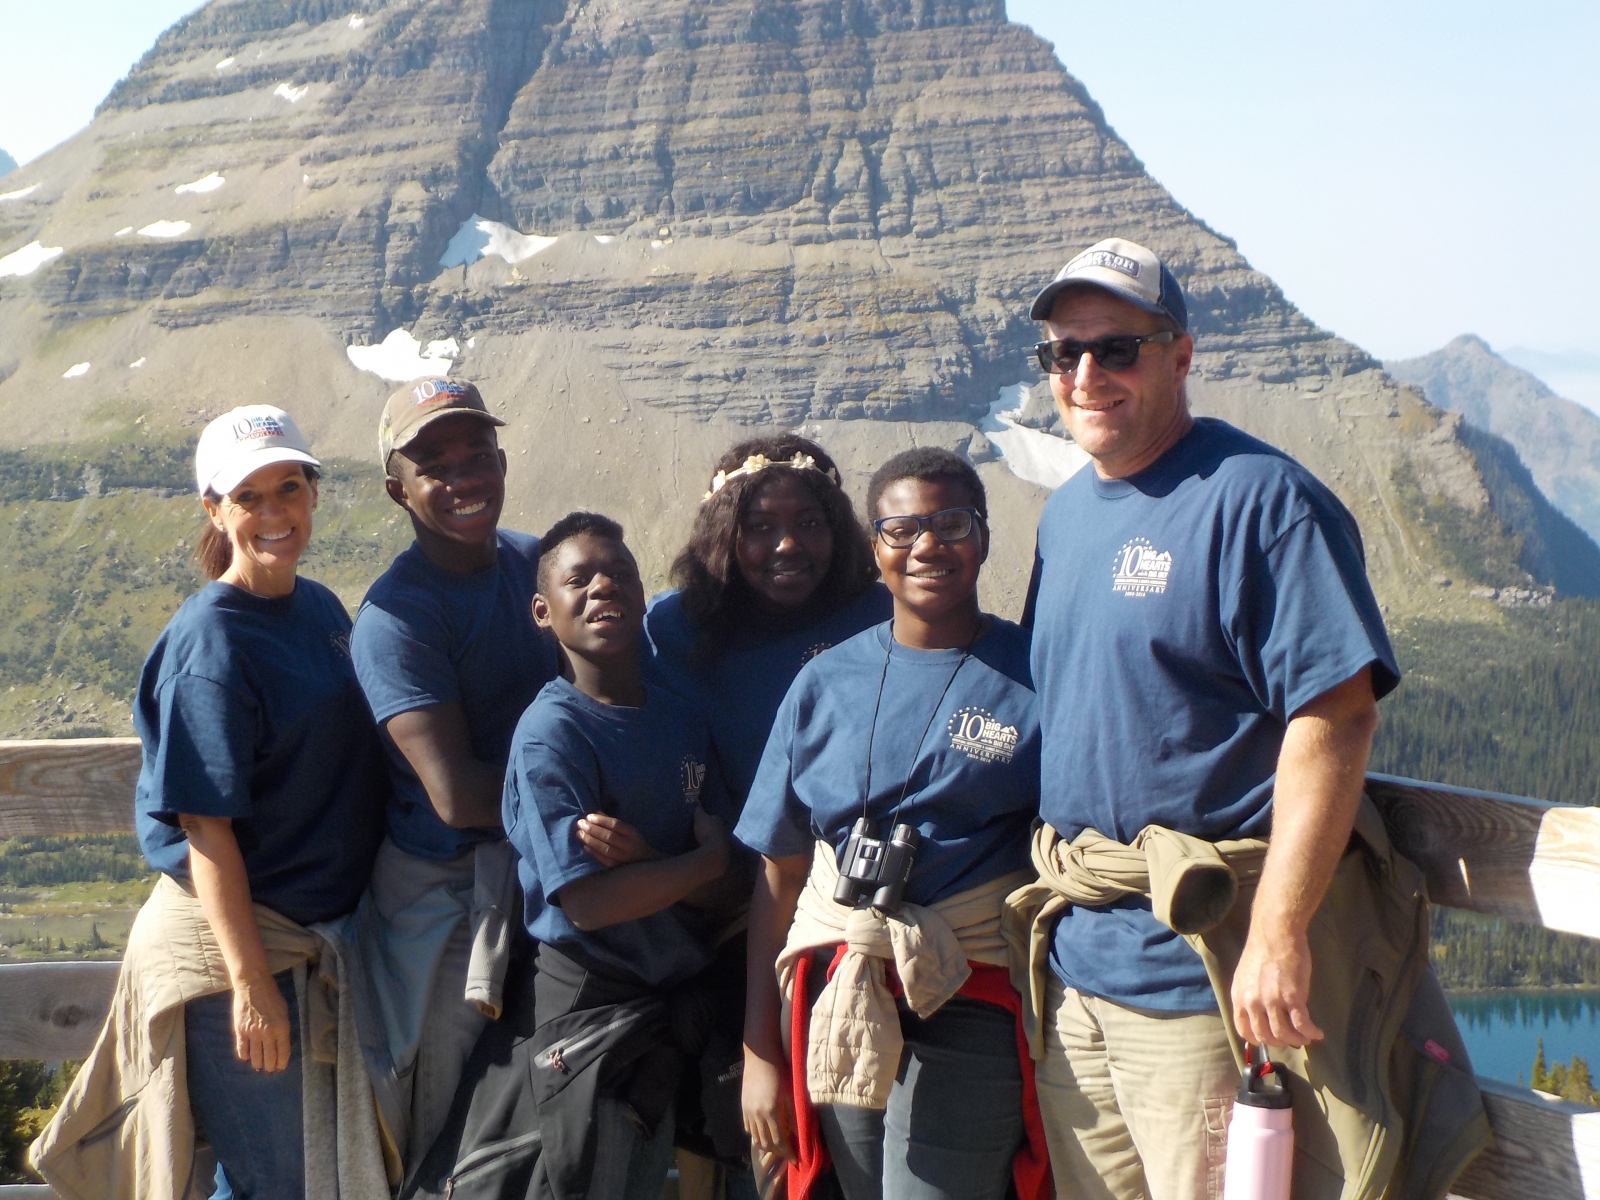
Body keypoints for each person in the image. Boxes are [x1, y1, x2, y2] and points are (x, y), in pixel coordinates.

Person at [1019, 238, 1409, 1200]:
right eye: (1064, 353)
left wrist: (1279, 932)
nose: (1085, 375)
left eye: (1117, 349)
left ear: (1180, 356)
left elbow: (1337, 718)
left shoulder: (1263, 501)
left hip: (1199, 974)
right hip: (1078, 968)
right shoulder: (1066, 516)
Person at [33, 406, 390, 1200]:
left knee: (269, 1175)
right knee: (284, 1184)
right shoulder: (211, 644)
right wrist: (251, 985)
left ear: (314, 493)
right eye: (248, 497)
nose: (274, 513)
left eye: (288, 488)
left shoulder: (318, 609)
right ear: (215, 510)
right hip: (234, 952)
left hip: (300, 943)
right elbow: (206, 827)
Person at [736, 448, 1048, 1200]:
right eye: (902, 529)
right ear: (875, 548)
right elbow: (780, 876)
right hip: (842, 992)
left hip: (972, 993)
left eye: (951, 524)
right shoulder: (822, 682)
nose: (927, 546)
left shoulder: (1037, 674)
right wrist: (759, 1052)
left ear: (983, 536)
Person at [621, 434, 887, 1195]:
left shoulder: (881, 614)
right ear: (722, 535)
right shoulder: (673, 632)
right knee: (747, 1130)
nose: (786, 545)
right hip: (727, 910)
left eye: (809, 523)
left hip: (859, 908)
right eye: (760, 527)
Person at [348, 377, 559, 1175]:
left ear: (503, 462)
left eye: (478, 454)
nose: (464, 476)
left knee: (531, 1109)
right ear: (396, 490)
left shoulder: (537, 565)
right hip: (446, 893)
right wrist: (593, 802)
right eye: (434, 465)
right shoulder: (396, 618)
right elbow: (459, 795)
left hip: (539, 870)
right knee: (436, 1110)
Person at [501, 511, 737, 1200]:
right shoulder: (552, 734)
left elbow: (729, 885)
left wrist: (658, 864)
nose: (603, 587)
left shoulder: (680, 718)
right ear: (543, 612)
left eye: (620, 574)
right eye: (579, 580)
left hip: (666, 1004)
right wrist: (695, 866)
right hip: (590, 1005)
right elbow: (588, 902)